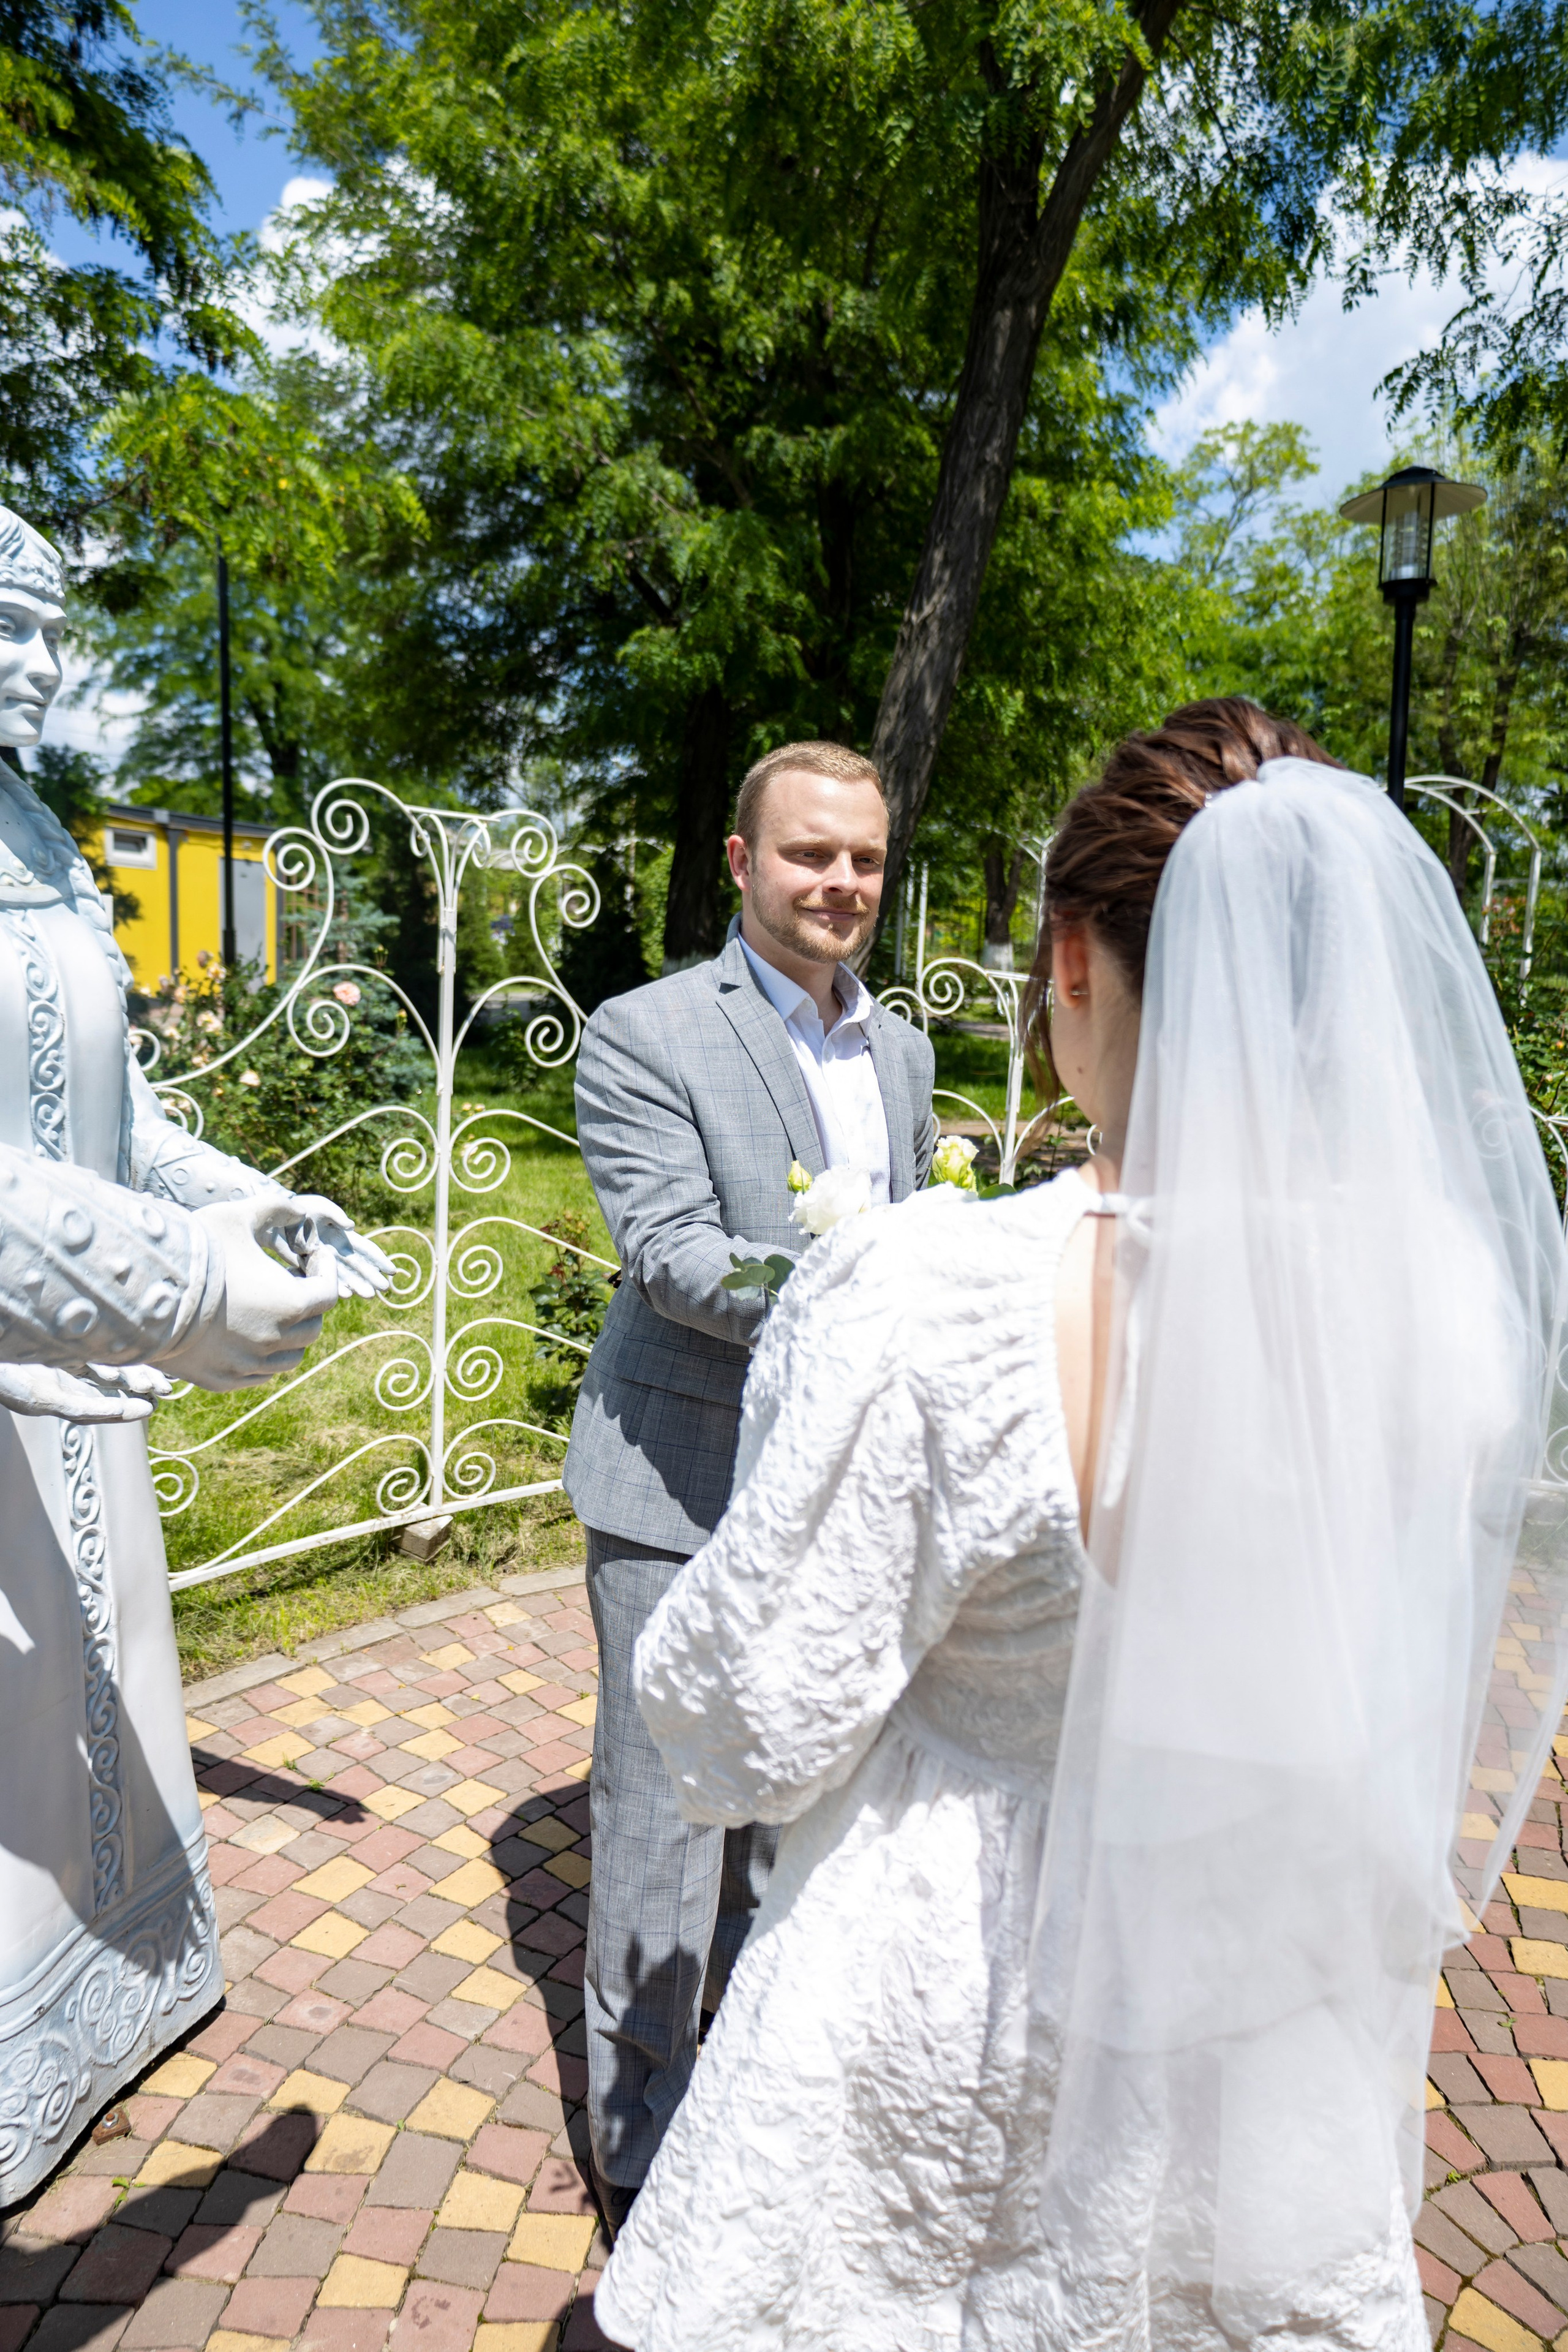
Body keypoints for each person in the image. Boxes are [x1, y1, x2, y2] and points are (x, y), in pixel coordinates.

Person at [592, 696, 1568, 2351]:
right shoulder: (1452, 1308)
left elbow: (753, 1715)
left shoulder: (930, 1296)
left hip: (962, 1982)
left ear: (1067, 962)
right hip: (1254, 1984)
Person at [0, 504, 392, 2202]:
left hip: (73, 1396)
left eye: (43, 626)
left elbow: (115, 1115)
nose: (35, 661)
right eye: (0, 623)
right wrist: (175, 1287)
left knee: (92, 1729)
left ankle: (104, 2009)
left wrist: (270, 1202)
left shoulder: (28, 827)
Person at [563, 739, 937, 2231]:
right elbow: (672, 1254)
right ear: (740, 862)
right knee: (662, 1820)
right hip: (681, 1477)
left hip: (839, 1488)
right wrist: (875, 1287)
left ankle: (762, 2089)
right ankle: (640, 2150)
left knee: (801, 1795)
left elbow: (916, 1221)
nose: (838, 882)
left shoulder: (901, 1051)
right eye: (807, 854)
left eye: (860, 858)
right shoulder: (647, 1033)